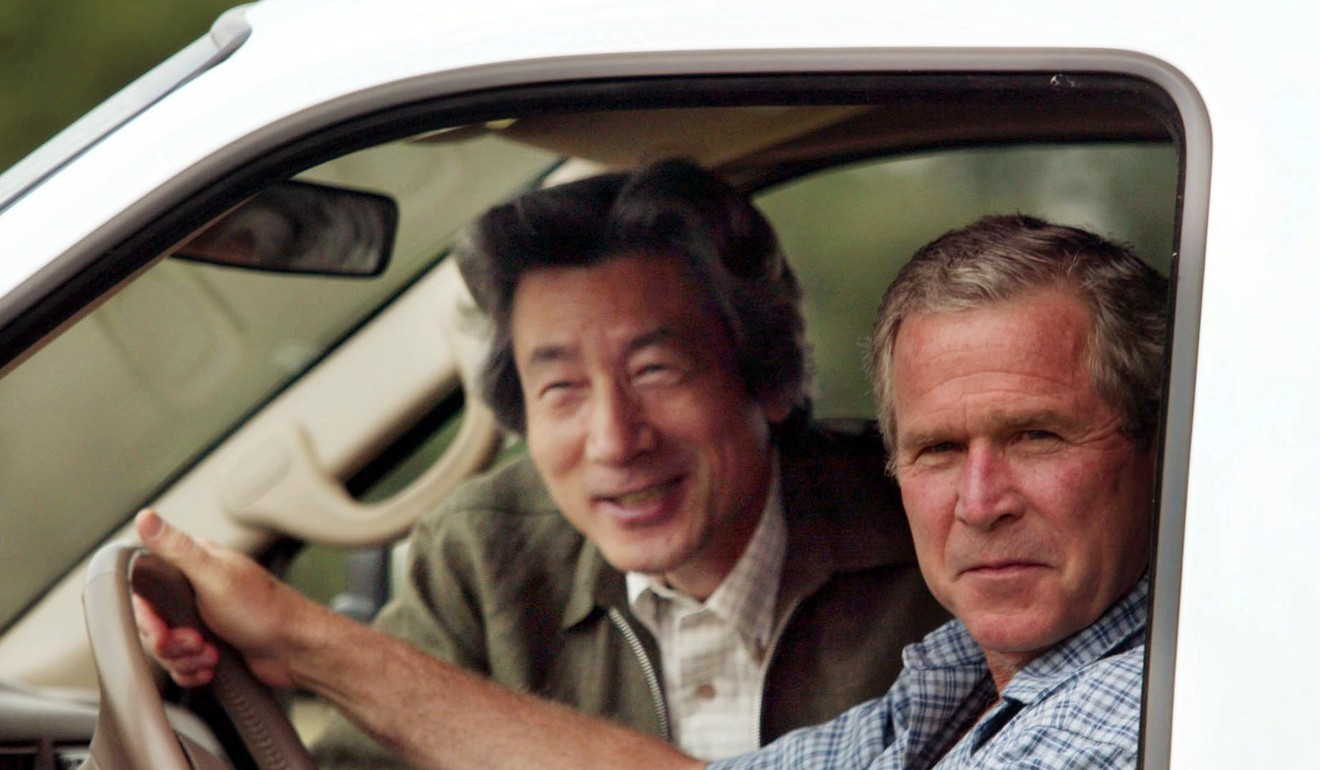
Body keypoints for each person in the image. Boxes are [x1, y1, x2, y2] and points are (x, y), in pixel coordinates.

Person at [135, 211, 1165, 769]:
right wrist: (276, 640)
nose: (981, 499)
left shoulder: (1146, 706)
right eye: (938, 450)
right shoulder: (944, 686)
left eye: (1036, 436)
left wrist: (306, 639)